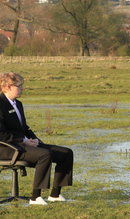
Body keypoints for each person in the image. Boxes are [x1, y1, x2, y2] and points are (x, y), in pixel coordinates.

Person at [0, 72, 73, 205]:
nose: (22, 88)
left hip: (22, 144)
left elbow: (24, 128)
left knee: (66, 153)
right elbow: (1, 134)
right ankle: (35, 197)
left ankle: (55, 194)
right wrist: (23, 141)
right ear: (8, 87)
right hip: (6, 148)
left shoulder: (18, 104)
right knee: (44, 155)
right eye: (19, 86)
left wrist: (35, 140)